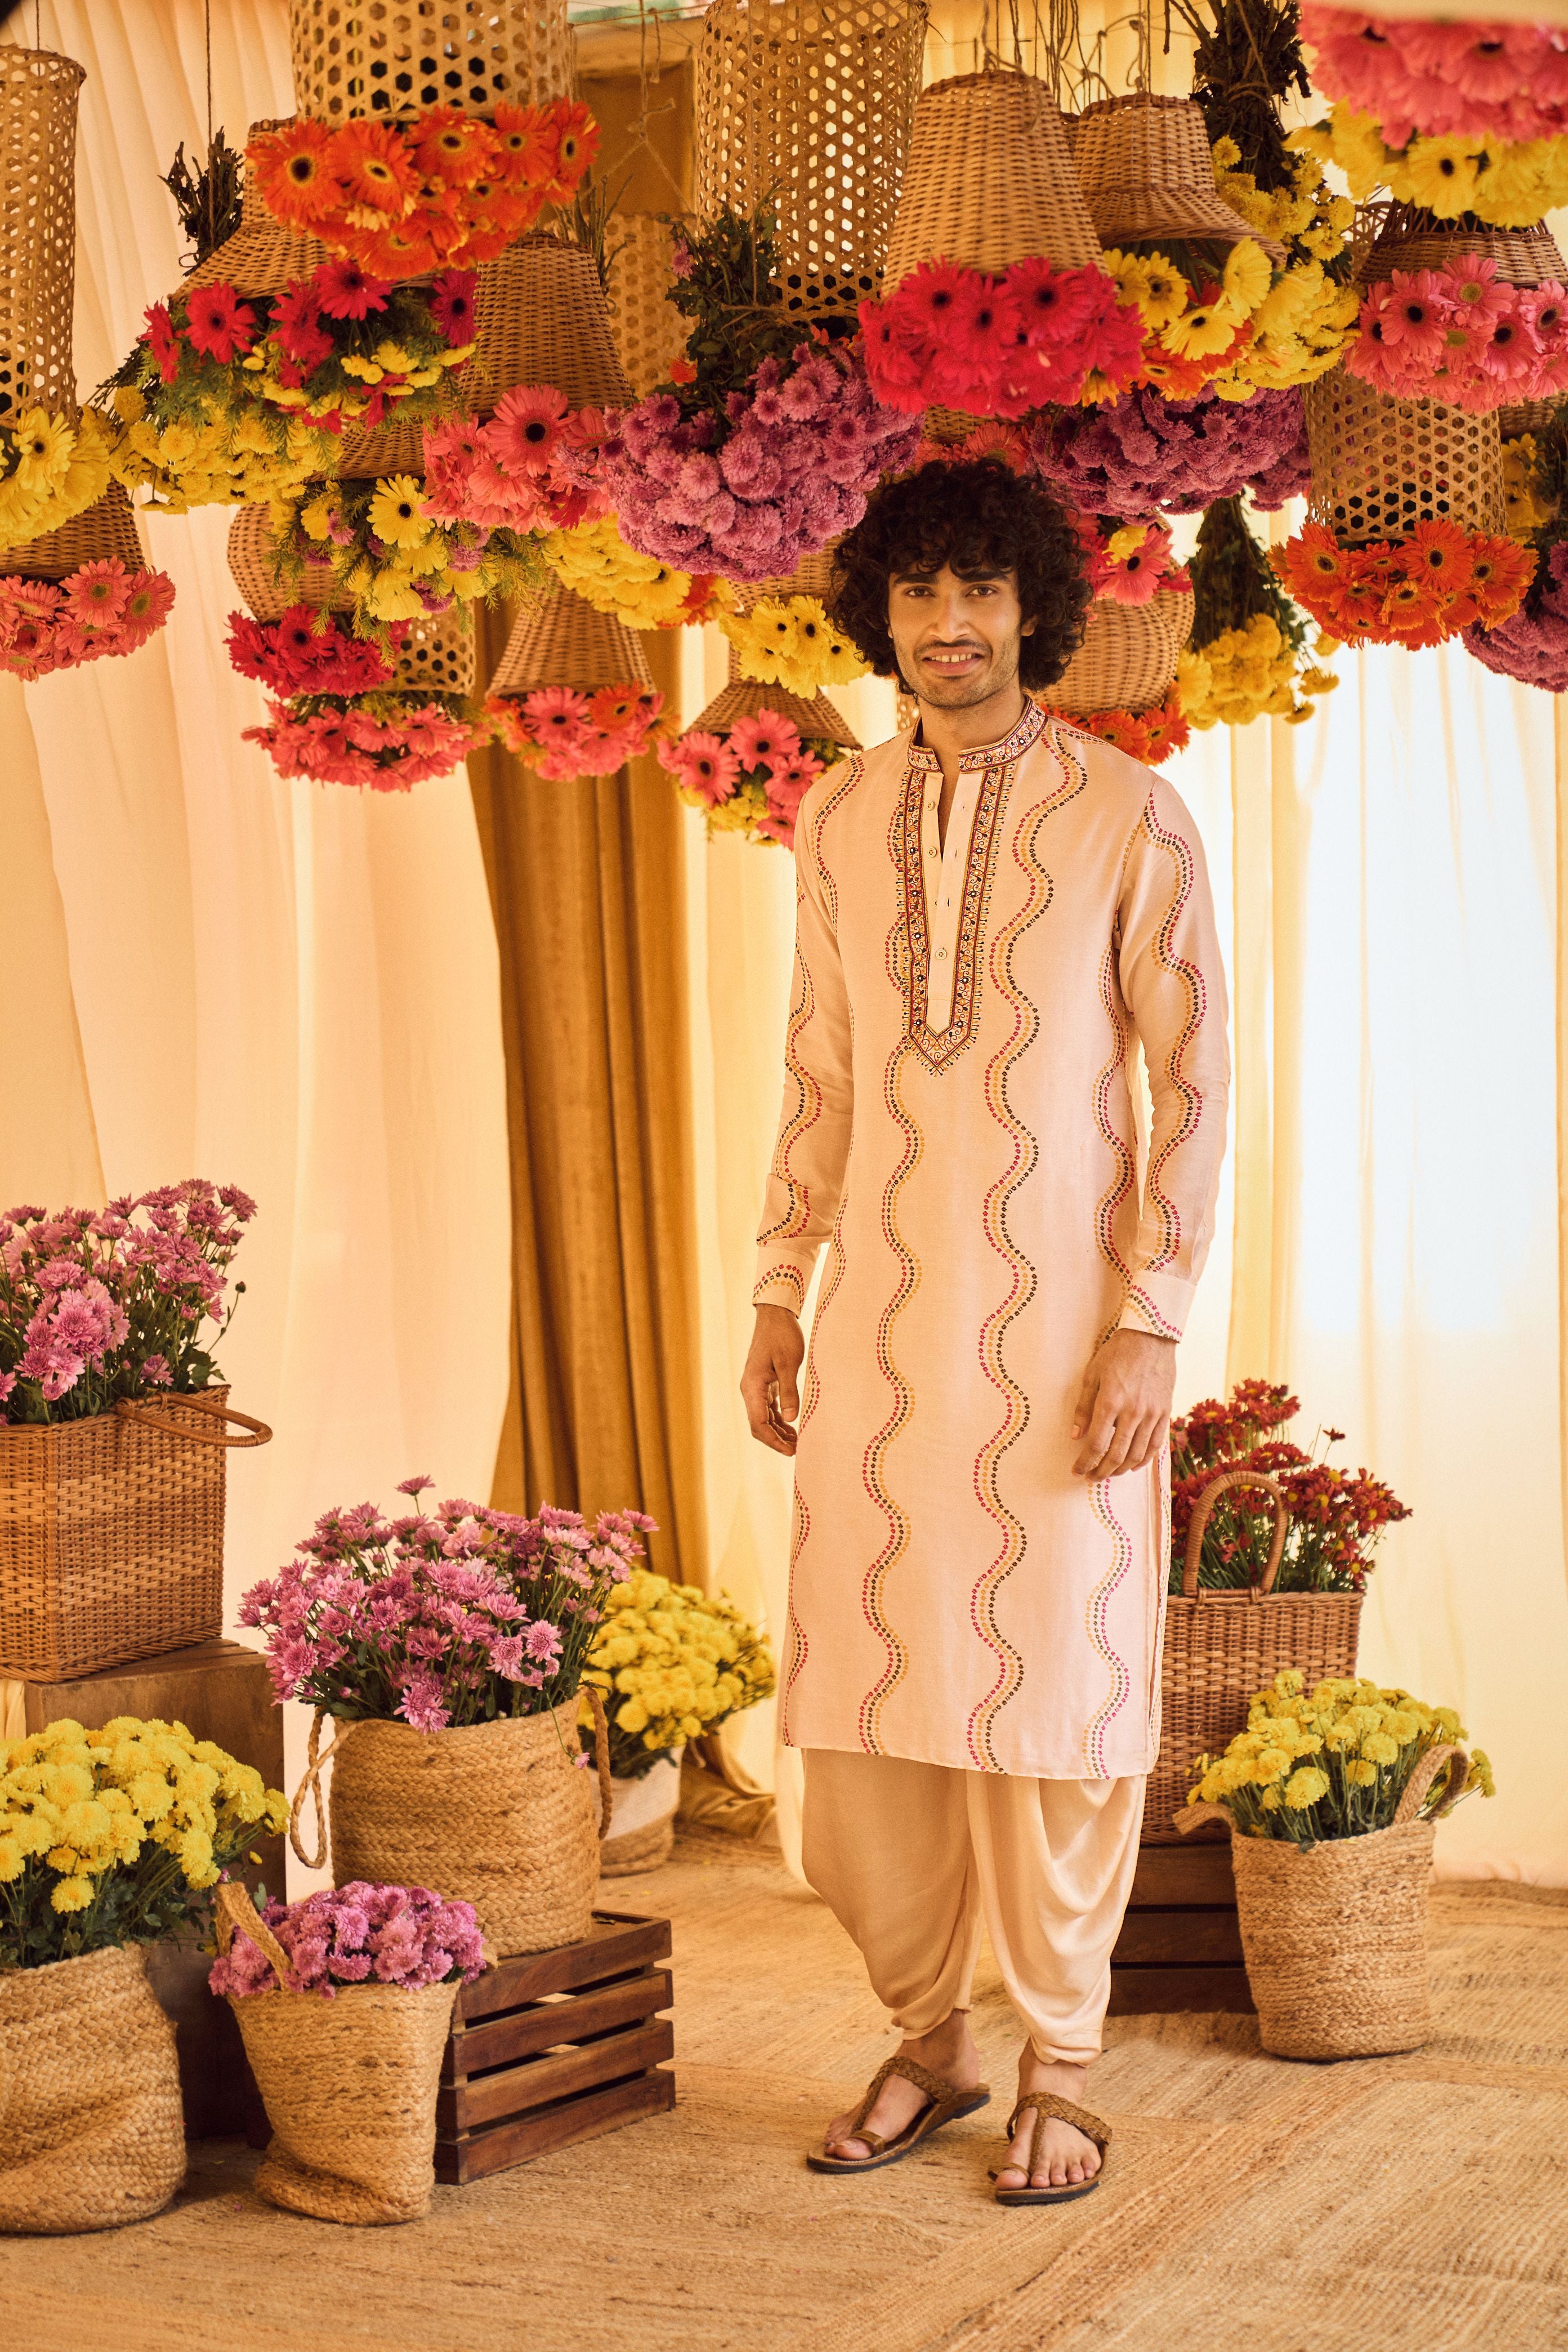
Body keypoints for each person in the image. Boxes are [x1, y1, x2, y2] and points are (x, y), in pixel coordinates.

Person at [739, 458, 1230, 2204]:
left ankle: (1061, 2061)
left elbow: (1193, 1086)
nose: (947, 623)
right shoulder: (836, 813)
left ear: (1034, 609)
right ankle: (931, 2037)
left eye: (980, 590)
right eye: (917, 591)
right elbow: (816, 1069)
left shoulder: (1126, 814)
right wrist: (777, 1287)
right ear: (878, 611)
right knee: (869, 1705)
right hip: (875, 1332)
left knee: (1052, 1689)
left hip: (1056, 1340)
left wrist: (1147, 1322)